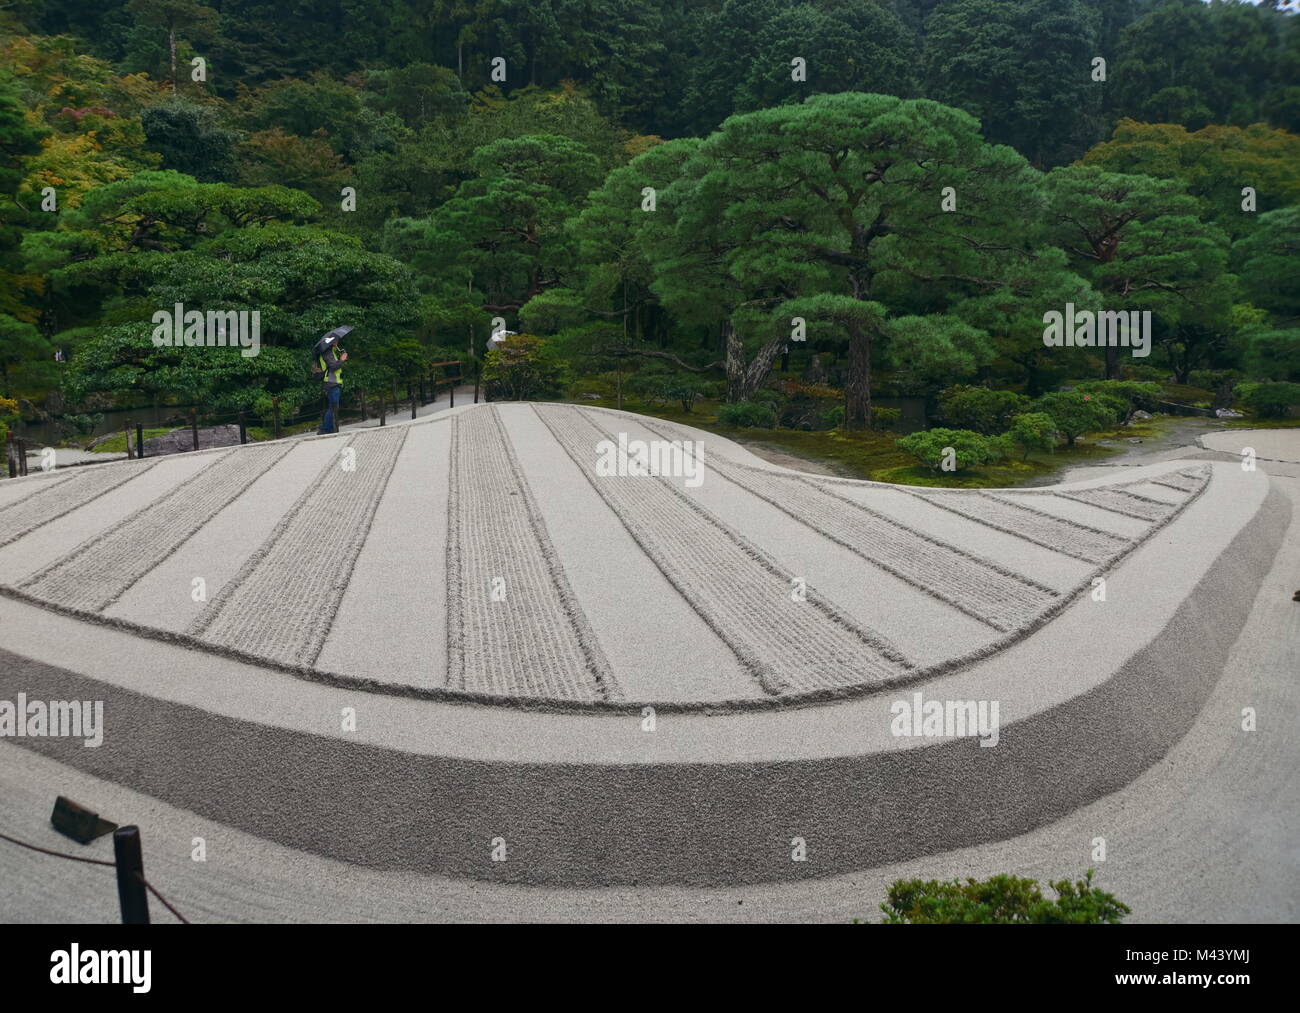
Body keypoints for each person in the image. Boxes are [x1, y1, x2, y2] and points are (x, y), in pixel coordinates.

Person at [314, 326, 353, 434]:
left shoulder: (332, 351)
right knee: (333, 406)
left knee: (333, 406)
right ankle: (325, 429)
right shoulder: (327, 353)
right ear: (331, 341)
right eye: (336, 340)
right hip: (331, 382)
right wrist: (342, 360)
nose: (337, 341)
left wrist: (342, 359)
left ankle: (330, 428)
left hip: (335, 382)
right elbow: (333, 366)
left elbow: (337, 364)